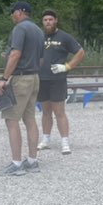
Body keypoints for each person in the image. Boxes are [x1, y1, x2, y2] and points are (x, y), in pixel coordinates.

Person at [0, 0, 45, 176]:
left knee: (11, 119)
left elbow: (16, 54)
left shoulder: (20, 28)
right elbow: (40, 59)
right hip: (34, 77)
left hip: (21, 78)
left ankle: (16, 164)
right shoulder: (38, 30)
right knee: (30, 120)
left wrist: (4, 78)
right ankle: (32, 161)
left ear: (19, 12)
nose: (11, 16)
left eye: (12, 12)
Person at [38, 9, 85, 155]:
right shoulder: (38, 36)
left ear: (56, 20)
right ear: (42, 22)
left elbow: (81, 52)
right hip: (41, 79)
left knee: (59, 112)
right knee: (45, 112)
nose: (48, 22)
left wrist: (67, 66)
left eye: (51, 19)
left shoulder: (64, 37)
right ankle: (45, 140)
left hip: (57, 79)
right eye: (45, 20)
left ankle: (65, 142)